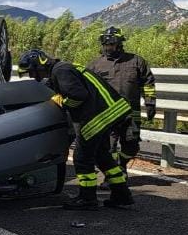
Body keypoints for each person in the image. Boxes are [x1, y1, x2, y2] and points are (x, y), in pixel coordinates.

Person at [17, 49, 134, 210]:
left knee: (82, 157)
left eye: (32, 72)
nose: (32, 77)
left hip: (98, 115)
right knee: (102, 156)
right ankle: (122, 195)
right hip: (110, 111)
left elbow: (78, 96)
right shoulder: (63, 68)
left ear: (40, 65)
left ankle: (87, 199)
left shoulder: (61, 71)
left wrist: (62, 103)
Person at [87, 26, 156, 172]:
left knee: (132, 145)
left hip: (131, 113)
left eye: (111, 44)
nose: (107, 47)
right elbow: (87, 88)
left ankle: (121, 163)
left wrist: (150, 103)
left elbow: (148, 83)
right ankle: (112, 175)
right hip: (107, 115)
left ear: (119, 44)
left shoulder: (137, 61)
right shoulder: (95, 65)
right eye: (105, 45)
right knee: (108, 147)